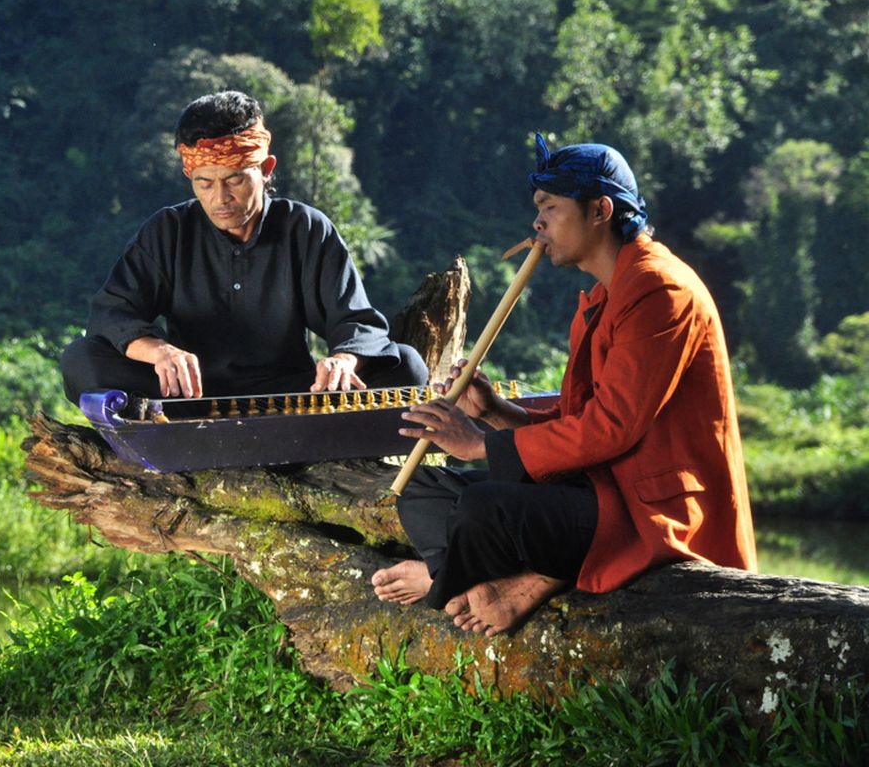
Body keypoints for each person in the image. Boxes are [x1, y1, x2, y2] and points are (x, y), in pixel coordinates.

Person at [371, 133, 757, 636]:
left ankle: (479, 583)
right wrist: (494, 413)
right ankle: (477, 583)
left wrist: (480, 445)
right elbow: (581, 418)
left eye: (550, 207)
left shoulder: (660, 291)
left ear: (600, 210)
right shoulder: (604, 297)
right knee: (423, 491)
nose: (537, 223)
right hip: (595, 488)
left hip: (646, 507)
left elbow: (612, 428)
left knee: (483, 508)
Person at [60, 90, 427, 403]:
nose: (220, 198)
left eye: (234, 179)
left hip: (290, 395)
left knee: (407, 366)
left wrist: (344, 360)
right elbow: (111, 314)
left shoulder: (306, 228)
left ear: (266, 168)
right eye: (204, 183)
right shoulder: (168, 230)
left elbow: (355, 320)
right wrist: (159, 351)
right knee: (81, 360)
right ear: (190, 175)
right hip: (188, 395)